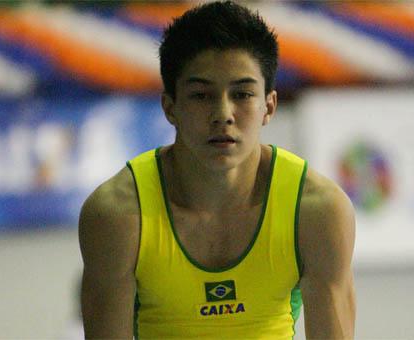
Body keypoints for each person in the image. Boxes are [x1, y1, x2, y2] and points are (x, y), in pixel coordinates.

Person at [78, 1, 356, 339]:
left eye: (241, 93)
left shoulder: (316, 210)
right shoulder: (118, 215)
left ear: (269, 106)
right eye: (201, 95)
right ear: (170, 107)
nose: (223, 113)